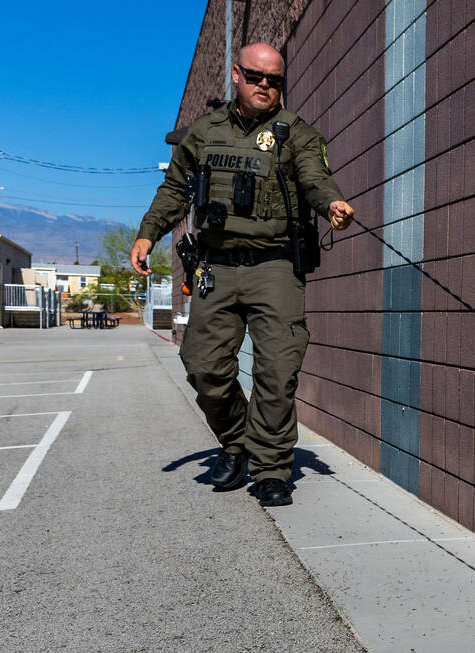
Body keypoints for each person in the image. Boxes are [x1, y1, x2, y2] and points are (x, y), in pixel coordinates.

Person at [131, 42, 354, 507]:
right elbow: (175, 188)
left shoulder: (296, 134)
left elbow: (314, 176)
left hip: (274, 267)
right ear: (237, 75)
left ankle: (272, 468)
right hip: (217, 266)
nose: (265, 87)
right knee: (203, 365)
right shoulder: (204, 132)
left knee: (277, 371)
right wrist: (148, 234)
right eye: (256, 77)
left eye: (275, 81)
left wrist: (330, 202)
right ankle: (238, 442)